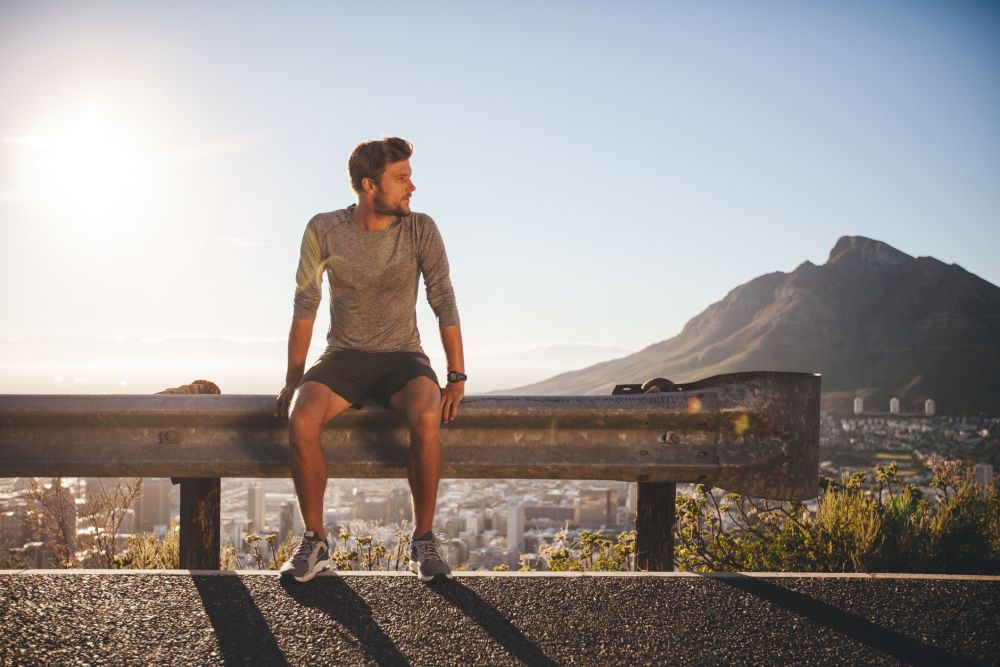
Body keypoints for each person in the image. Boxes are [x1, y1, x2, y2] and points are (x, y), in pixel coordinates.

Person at [273, 137, 466, 582]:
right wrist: (294, 379)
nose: (412, 187)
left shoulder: (422, 229)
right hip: (344, 357)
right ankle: (315, 542)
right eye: (401, 179)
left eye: (410, 177)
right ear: (368, 186)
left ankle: (423, 541)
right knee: (301, 417)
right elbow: (306, 305)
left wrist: (455, 376)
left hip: (403, 358)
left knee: (425, 410)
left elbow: (444, 299)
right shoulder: (322, 229)